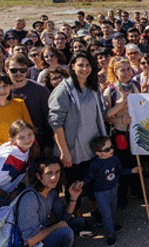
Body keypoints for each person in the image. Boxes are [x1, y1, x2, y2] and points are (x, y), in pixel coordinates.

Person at [48, 51, 108, 221]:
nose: (84, 68)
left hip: (92, 146)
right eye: (80, 65)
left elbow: (102, 114)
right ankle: (78, 218)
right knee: (73, 185)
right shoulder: (63, 91)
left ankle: (96, 211)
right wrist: (64, 151)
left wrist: (122, 106)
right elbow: (56, 123)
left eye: (88, 65)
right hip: (73, 149)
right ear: (72, 66)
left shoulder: (93, 87)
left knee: (91, 182)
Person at [17, 157, 85, 247]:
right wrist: (58, 227)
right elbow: (30, 240)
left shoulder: (51, 193)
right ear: (38, 176)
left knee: (77, 223)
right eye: (49, 173)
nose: (54, 177)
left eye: (57, 172)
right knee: (65, 232)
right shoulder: (30, 199)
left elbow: (64, 218)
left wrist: (73, 197)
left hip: (39, 238)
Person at [81, 136, 138, 247]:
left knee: (112, 209)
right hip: (101, 193)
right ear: (98, 153)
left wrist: (132, 170)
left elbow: (119, 171)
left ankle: (111, 224)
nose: (111, 150)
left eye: (111, 147)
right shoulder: (94, 164)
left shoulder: (115, 159)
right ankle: (110, 233)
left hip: (113, 188)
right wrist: (81, 183)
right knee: (105, 213)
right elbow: (89, 177)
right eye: (107, 149)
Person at [103, 56, 144, 208]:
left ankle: (136, 190)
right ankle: (122, 194)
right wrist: (121, 110)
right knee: (123, 163)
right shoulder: (111, 91)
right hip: (120, 133)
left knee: (135, 160)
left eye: (128, 69)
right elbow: (106, 116)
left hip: (135, 131)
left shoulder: (136, 85)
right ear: (115, 72)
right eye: (122, 70)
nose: (126, 73)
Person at [0, 120, 36, 209]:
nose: (27, 139)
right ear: (12, 140)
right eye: (21, 137)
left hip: (7, 189)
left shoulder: (23, 148)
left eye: (30, 134)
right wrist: (8, 196)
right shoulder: (7, 158)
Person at [5, 54, 53, 154]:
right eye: (14, 70)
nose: (18, 73)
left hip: (38, 145)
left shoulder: (40, 89)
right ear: (6, 70)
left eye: (22, 70)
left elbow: (50, 119)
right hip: (10, 147)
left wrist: (49, 144)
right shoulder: (2, 92)